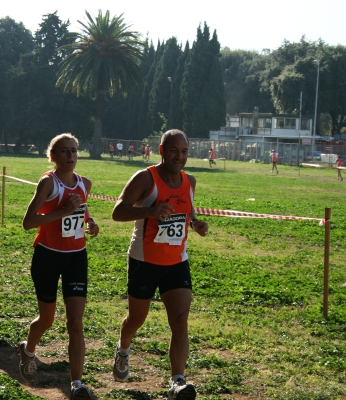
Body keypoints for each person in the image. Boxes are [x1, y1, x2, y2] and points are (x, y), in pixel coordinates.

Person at [111, 129, 208, 400]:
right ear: (162, 150)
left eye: (184, 151)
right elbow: (117, 211)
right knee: (136, 320)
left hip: (176, 261)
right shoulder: (145, 178)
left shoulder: (190, 181)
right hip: (144, 260)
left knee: (179, 319)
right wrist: (149, 211)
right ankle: (123, 349)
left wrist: (195, 223)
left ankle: (177, 381)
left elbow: (187, 211)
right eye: (174, 151)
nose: (180, 156)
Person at [18, 133, 99, 400]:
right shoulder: (48, 183)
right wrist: (62, 212)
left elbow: (81, 211)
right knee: (48, 319)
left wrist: (90, 222)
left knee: (75, 322)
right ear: (52, 156)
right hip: (47, 257)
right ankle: (28, 350)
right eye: (64, 151)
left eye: (74, 150)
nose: (70, 155)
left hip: (77, 257)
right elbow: (28, 222)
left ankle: (76, 384)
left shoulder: (84, 183)